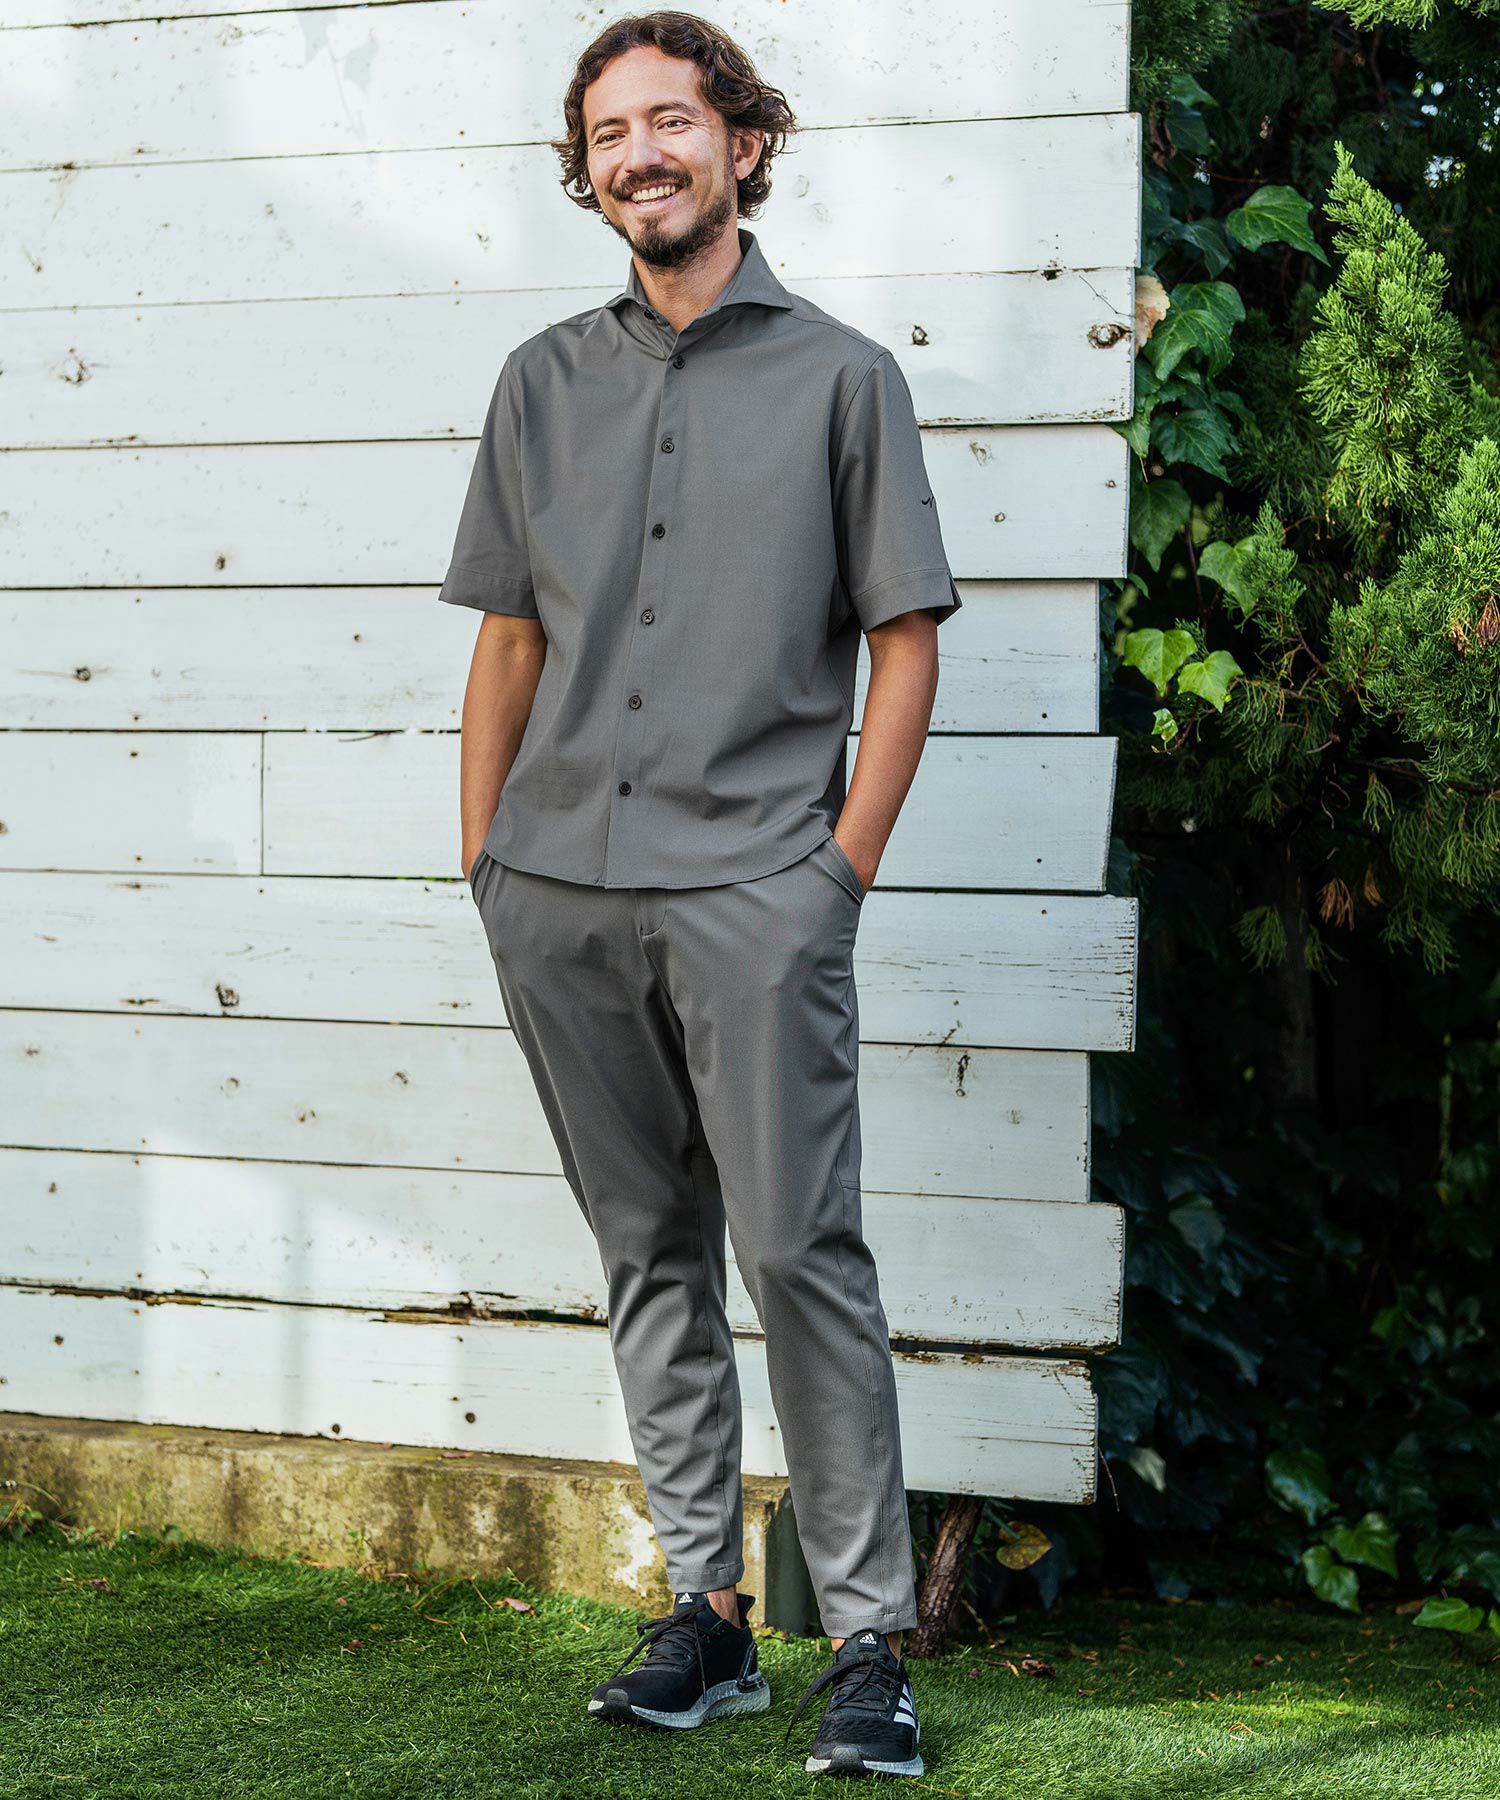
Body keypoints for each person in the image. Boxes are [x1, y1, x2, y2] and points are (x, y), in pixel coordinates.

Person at [439, 10, 961, 1779]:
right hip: (558, 889)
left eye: (672, 121)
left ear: (744, 143)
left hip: (759, 887)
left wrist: (838, 873)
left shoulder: (845, 380)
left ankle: (870, 1644)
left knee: (802, 1251)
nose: (639, 154)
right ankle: (707, 1616)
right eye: (609, 132)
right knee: (643, 1246)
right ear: (585, 171)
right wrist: (485, 857)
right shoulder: (539, 383)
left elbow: (905, 641)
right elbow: (510, 639)